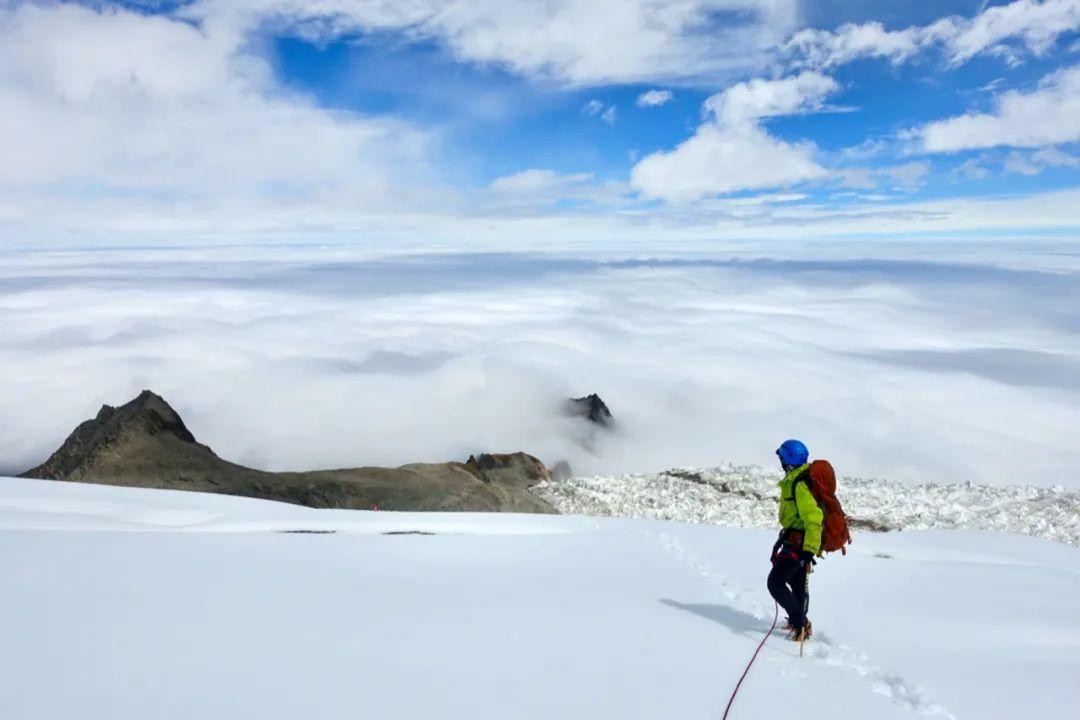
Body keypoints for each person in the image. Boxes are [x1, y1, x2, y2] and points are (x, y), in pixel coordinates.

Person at [767, 439, 822, 642]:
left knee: (775, 583)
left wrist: (809, 551)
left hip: (800, 544)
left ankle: (800, 623)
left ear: (787, 460)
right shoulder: (797, 479)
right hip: (794, 541)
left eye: (781, 457)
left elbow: (814, 518)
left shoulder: (800, 485)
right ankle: (799, 622)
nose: (780, 461)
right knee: (796, 582)